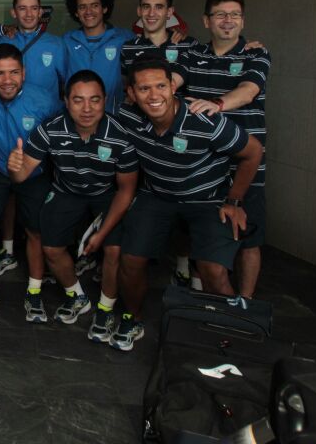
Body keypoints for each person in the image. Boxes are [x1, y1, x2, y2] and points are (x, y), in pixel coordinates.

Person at [113, 57, 263, 351]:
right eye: (144, 89)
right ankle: (132, 317)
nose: (154, 96)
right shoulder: (126, 117)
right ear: (131, 93)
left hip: (206, 200)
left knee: (214, 271)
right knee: (130, 260)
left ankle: (228, 336)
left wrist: (234, 201)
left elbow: (253, 152)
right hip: (156, 196)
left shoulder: (203, 119)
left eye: (160, 86)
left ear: (172, 86)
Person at [8, 70, 138, 343]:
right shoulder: (50, 128)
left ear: (105, 101)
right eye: (78, 100)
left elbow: (126, 190)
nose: (87, 109)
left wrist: (100, 235)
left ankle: (105, 309)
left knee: (114, 250)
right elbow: (21, 176)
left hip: (106, 194)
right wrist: (15, 167)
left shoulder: (120, 135)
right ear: (66, 101)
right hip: (66, 191)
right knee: (51, 249)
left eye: (95, 100)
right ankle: (77, 295)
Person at [0, 44, 62, 322]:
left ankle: (34, 291)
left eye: (14, 72)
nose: (7, 80)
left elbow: (64, 134)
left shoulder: (45, 100)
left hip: (34, 172)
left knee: (35, 231)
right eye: (0, 73)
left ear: (24, 72)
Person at [183, 0, 271, 298]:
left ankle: (244, 304)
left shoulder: (255, 54)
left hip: (246, 163)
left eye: (235, 14)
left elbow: (248, 91)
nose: (228, 20)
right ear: (206, 21)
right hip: (203, 166)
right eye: (220, 14)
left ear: (243, 20)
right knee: (203, 234)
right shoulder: (192, 55)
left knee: (249, 238)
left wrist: (216, 104)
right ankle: (202, 295)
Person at [0, 0, 67, 101]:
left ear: (40, 12)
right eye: (22, 8)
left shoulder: (56, 44)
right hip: (11, 111)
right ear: (13, 12)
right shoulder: (3, 42)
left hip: (47, 112)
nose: (29, 14)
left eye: (34, 8)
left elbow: (67, 82)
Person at [63, 0, 134, 113]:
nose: (88, 11)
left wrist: (176, 35)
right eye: (82, 7)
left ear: (105, 8)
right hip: (77, 118)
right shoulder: (66, 41)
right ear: (76, 12)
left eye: (94, 5)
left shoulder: (125, 38)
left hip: (115, 118)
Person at [120, 0, 196, 88]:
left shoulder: (188, 45)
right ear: (139, 11)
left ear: (169, 12)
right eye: (146, 7)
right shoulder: (127, 48)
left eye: (159, 7)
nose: (151, 13)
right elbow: (127, 89)